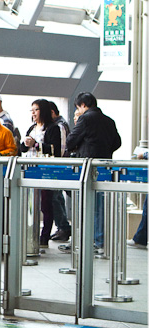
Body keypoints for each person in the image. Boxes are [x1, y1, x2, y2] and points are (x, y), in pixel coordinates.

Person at [65, 92, 121, 250]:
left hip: (88, 166)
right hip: (105, 165)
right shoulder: (109, 120)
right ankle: (100, 239)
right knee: (101, 204)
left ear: (83, 105)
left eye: (78, 107)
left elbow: (70, 141)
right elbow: (117, 142)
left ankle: (92, 239)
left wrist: (83, 145)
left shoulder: (85, 118)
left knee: (88, 204)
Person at [19, 99, 62, 247]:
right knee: (30, 204)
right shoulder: (31, 128)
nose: (33, 113)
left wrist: (35, 145)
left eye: (36, 110)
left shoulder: (53, 128)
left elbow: (55, 150)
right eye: (31, 110)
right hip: (30, 169)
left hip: (44, 170)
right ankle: (30, 233)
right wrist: (25, 143)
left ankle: (44, 236)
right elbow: (22, 149)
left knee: (46, 203)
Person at [48, 101, 71, 242]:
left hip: (61, 167)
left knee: (56, 197)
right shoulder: (62, 124)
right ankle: (62, 227)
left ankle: (63, 227)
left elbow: (61, 149)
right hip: (63, 167)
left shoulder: (59, 126)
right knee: (58, 197)